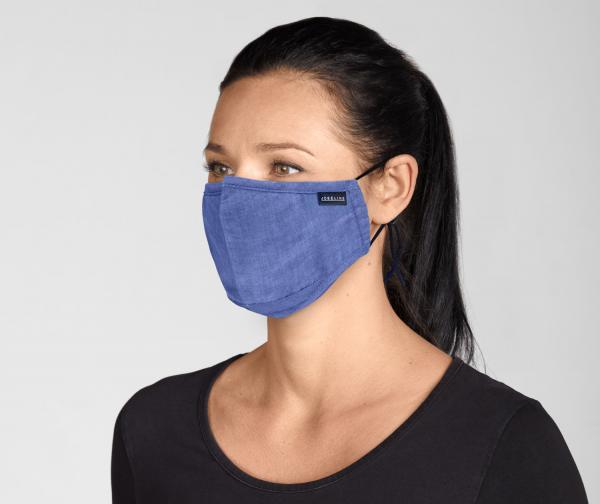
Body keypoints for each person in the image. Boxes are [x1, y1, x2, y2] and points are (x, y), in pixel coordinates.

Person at [111, 16, 589, 503]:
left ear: (391, 187)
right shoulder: (153, 431)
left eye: (284, 166)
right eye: (221, 167)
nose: (237, 196)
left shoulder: (503, 445)